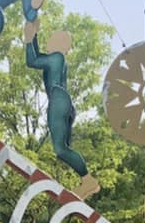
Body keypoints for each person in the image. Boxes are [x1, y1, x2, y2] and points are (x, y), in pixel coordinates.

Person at [24, 17, 99, 200]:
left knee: (60, 149)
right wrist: (34, 35)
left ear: (59, 44)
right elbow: (38, 56)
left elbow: (33, 60)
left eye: (50, 39)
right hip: (64, 102)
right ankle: (87, 182)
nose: (48, 42)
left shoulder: (57, 57)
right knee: (63, 148)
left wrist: (28, 39)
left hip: (58, 100)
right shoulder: (58, 60)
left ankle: (88, 180)